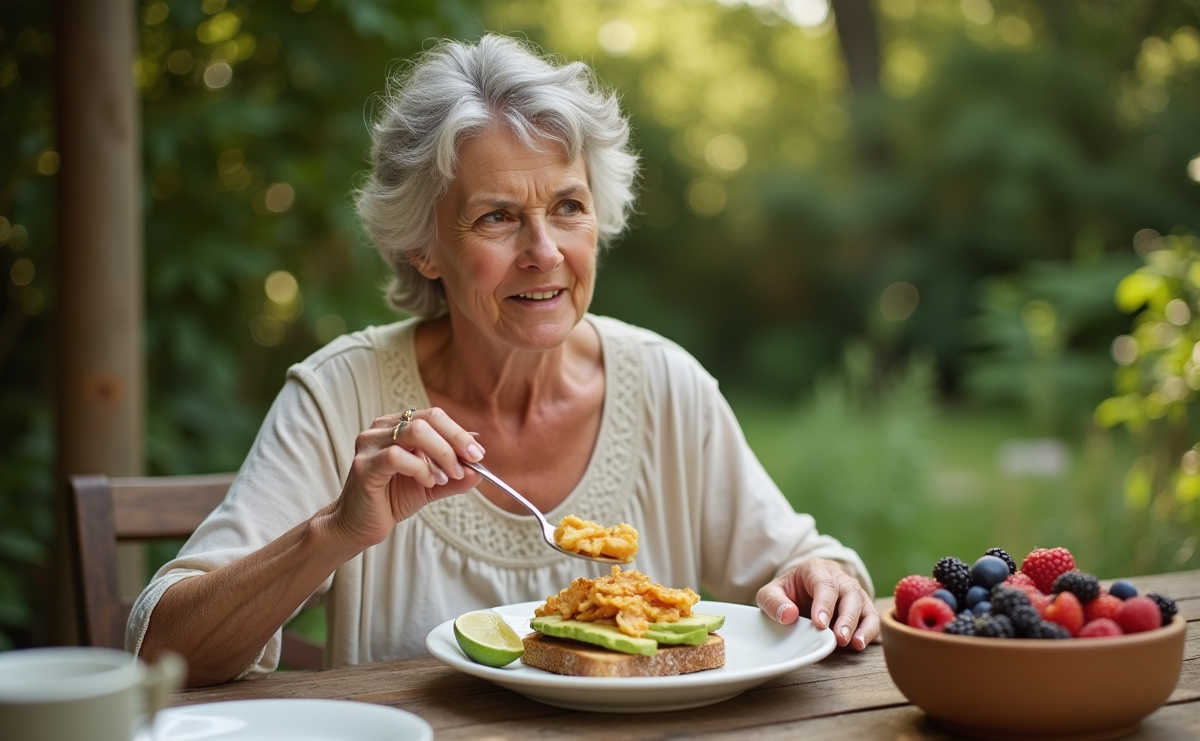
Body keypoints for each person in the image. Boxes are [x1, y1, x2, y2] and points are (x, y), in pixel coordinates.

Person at [131, 34, 878, 687]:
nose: (545, 252)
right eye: (497, 217)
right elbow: (165, 649)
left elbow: (800, 568)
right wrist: (335, 532)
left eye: (568, 207)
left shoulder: (664, 384)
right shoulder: (341, 395)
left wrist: (824, 579)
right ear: (423, 246)